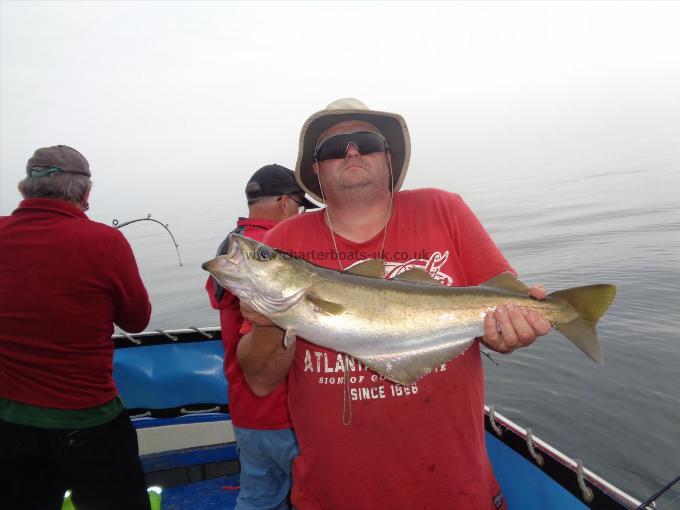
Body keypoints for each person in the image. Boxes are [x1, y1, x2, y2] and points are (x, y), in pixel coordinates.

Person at [237, 99, 552, 510]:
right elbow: (259, 381)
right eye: (334, 148)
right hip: (333, 495)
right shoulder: (283, 242)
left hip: (455, 490)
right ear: (316, 168)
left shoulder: (444, 209)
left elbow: (500, 321)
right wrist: (268, 321)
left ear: (387, 156)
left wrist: (513, 330)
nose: (351, 152)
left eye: (365, 142)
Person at [0, 145, 152, 510]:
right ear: (85, 192)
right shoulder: (105, 241)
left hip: (10, 424)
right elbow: (136, 320)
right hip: (92, 423)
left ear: (24, 190)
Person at [205, 164, 317, 510]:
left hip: (246, 411)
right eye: (298, 206)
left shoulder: (233, 245)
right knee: (312, 497)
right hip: (284, 411)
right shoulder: (272, 253)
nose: (298, 214)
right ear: (285, 201)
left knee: (257, 499)